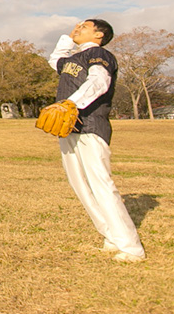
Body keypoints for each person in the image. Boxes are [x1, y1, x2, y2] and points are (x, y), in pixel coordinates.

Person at [46, 18, 145, 263]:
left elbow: (99, 82)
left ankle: (132, 247)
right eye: (77, 25)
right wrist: (69, 38)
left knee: (101, 185)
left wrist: (70, 104)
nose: (78, 27)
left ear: (99, 34)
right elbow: (54, 59)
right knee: (81, 185)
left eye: (85, 26)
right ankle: (111, 236)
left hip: (91, 125)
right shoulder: (72, 59)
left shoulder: (100, 54)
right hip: (69, 128)